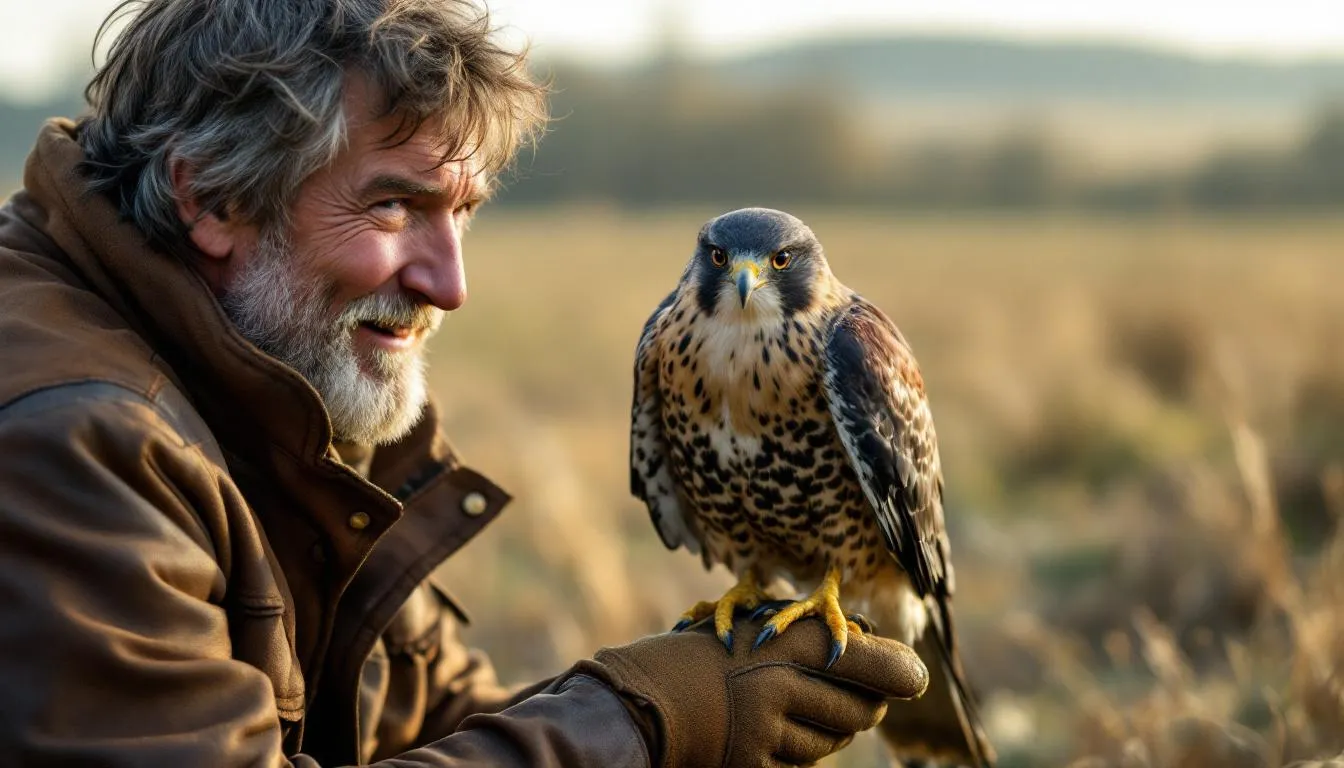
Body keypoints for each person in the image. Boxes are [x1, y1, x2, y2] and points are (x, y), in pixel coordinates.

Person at [0, 0, 930, 766]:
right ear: (211, 198)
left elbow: (418, 715)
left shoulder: (269, 371)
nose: (450, 284)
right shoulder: (72, 438)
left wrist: (665, 710)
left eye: (464, 212)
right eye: (395, 203)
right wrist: (644, 723)